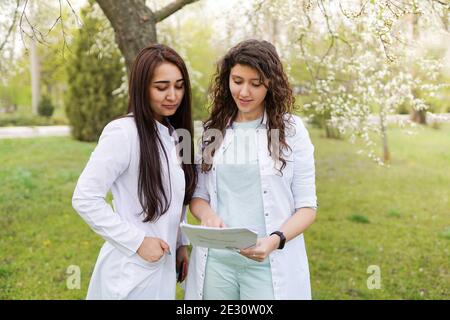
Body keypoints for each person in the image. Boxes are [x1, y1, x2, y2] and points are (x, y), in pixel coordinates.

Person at [185, 39, 318, 300]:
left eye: (255, 83)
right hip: (217, 264)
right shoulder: (214, 129)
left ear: (271, 83)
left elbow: (307, 207)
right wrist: (208, 215)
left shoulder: (292, 131)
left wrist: (274, 241)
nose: (244, 92)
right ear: (227, 80)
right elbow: (199, 196)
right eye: (237, 81)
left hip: (268, 264)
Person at [72, 44, 197, 299]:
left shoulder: (175, 136)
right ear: (142, 88)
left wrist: (180, 243)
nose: (172, 95)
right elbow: (84, 198)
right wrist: (137, 242)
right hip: (129, 271)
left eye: (179, 86)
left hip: (162, 267)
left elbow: (175, 202)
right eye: (161, 87)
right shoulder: (123, 133)